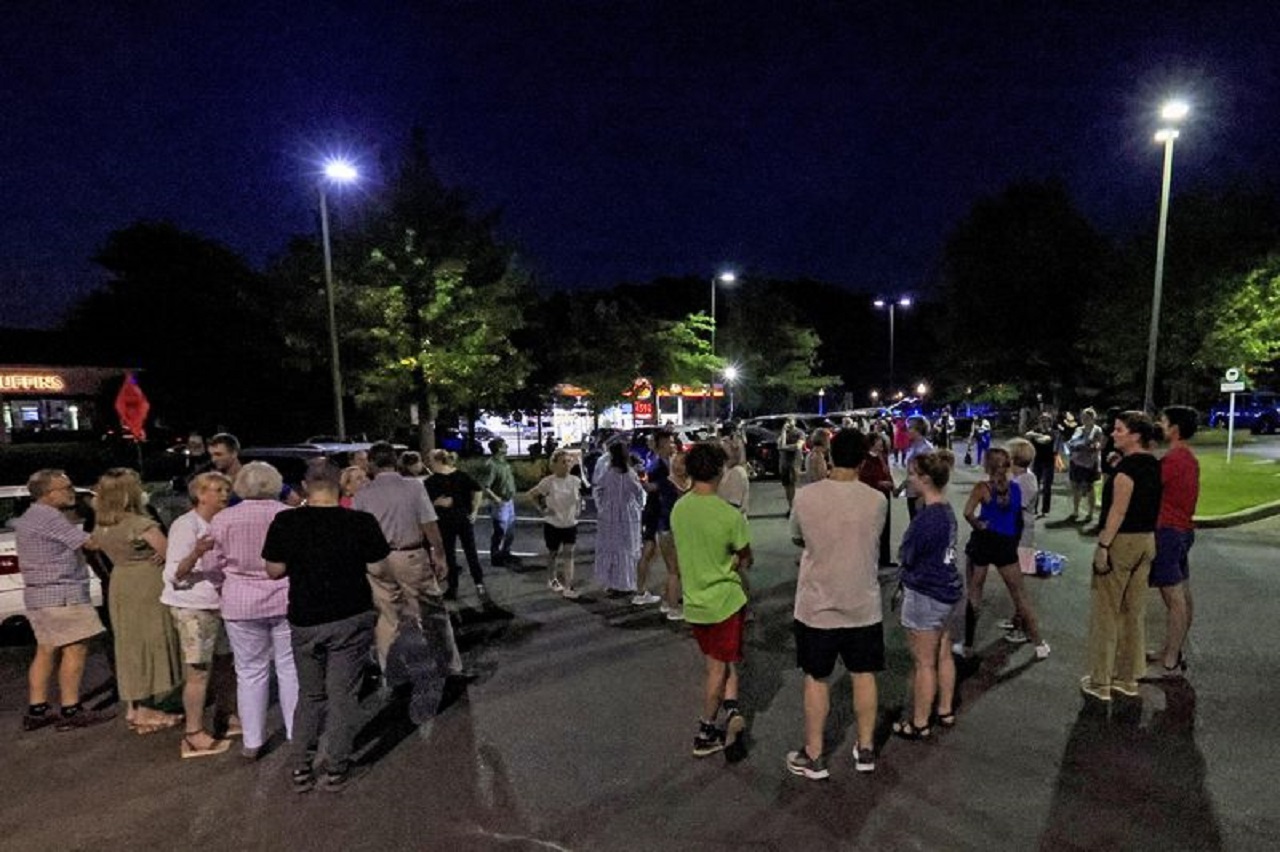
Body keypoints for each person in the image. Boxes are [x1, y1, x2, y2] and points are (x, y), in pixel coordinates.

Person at [263, 463, 389, 793]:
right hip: (350, 614)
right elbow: (378, 565)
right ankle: (336, 766)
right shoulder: (360, 522)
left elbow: (274, 570)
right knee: (342, 694)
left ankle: (301, 767)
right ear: (340, 486)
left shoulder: (286, 522)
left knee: (310, 694)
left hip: (305, 616)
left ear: (305, 486)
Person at [786, 430, 887, 779]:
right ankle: (866, 747)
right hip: (862, 601)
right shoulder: (876, 500)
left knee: (817, 677)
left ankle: (814, 754)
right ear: (863, 459)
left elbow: (797, 536)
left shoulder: (806, 497)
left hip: (817, 603)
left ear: (829, 454)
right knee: (863, 674)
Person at [205, 461, 297, 758]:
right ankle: (297, 732)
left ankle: (253, 740)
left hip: (240, 601)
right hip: (285, 596)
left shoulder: (223, 519)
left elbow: (210, 564)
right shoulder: (287, 516)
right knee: (289, 668)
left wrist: (223, 587)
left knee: (249, 672)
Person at [354, 442, 466, 679]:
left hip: (377, 559)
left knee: (387, 616)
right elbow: (428, 522)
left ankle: (392, 671)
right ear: (395, 461)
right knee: (432, 612)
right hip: (410, 554)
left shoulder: (363, 494)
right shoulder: (413, 487)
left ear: (372, 464)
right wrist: (439, 553)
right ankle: (449, 666)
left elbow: (358, 532)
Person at [14, 469, 115, 731]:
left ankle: (38, 709)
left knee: (46, 649)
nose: (72, 492)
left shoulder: (30, 516)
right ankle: (71, 709)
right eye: (66, 488)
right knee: (75, 648)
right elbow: (91, 543)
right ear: (48, 494)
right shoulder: (50, 517)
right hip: (63, 595)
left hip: (39, 595)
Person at [669, 442, 752, 758]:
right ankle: (705, 730)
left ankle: (732, 710)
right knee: (718, 669)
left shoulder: (680, 509)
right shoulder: (728, 515)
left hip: (695, 603)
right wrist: (731, 561)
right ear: (720, 472)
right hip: (725, 602)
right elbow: (745, 558)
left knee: (721, 659)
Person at [92, 468, 184, 734]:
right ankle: (147, 708)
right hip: (146, 584)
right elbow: (171, 552)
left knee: (129, 644)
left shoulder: (104, 525)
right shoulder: (139, 524)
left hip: (121, 583)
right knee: (151, 640)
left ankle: (134, 705)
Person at [1080, 411, 1162, 702]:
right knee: (1133, 612)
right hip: (1146, 540)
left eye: (1119, 430)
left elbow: (1118, 511)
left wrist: (1103, 546)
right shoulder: (1152, 464)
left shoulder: (1126, 472)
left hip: (1122, 541)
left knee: (1106, 611)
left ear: (1135, 435)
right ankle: (1129, 678)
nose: (1113, 434)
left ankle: (1101, 680)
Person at [163, 471, 238, 758]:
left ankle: (225, 716)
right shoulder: (186, 526)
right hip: (193, 606)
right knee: (198, 670)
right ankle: (194, 732)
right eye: (218, 489)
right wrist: (196, 553)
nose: (224, 495)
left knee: (225, 662)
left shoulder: (221, 522)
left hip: (219, 604)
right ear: (200, 494)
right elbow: (174, 574)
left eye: (226, 489)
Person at [893, 450, 963, 740]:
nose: (908, 479)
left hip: (925, 592)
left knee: (924, 662)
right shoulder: (946, 511)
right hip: (947, 590)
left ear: (925, 479)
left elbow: (907, 555)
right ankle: (944, 709)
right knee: (943, 653)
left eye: (911, 474)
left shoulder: (925, 519)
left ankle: (919, 721)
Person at [959, 448, 1050, 660]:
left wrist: (978, 524)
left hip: (983, 542)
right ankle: (1039, 643)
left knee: (974, 593)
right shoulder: (1016, 489)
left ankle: (968, 645)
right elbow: (1017, 518)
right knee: (1019, 595)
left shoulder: (982, 488)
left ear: (987, 467)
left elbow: (967, 512)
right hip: (1006, 545)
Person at [1145, 405, 1200, 680]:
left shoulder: (1175, 459)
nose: (1160, 424)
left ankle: (1170, 662)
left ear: (1175, 428)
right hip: (1183, 530)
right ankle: (1171, 649)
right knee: (1182, 595)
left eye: (1164, 421)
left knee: (1174, 598)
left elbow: (1149, 485)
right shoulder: (1187, 458)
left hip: (1168, 531)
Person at [425, 450, 487, 604]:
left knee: (450, 554)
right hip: (462, 519)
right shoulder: (461, 475)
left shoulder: (431, 481)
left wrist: (436, 503)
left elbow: (425, 503)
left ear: (437, 461)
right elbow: (478, 489)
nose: (429, 463)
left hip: (445, 521)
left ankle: (453, 588)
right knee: (470, 551)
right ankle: (479, 583)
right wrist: (474, 510)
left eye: (430, 460)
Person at [528, 449, 588, 599]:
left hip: (570, 524)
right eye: (563, 462)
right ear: (554, 465)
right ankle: (552, 578)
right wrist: (542, 510)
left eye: (569, 461)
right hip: (553, 524)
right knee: (553, 554)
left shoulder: (575, 481)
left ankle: (569, 587)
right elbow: (531, 494)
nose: (567, 465)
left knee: (569, 555)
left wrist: (579, 508)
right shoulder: (549, 481)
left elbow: (579, 498)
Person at [634, 431, 681, 615]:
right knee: (667, 562)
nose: (674, 444)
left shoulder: (666, 463)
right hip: (659, 515)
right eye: (670, 442)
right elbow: (650, 487)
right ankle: (668, 602)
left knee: (657, 555)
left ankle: (666, 597)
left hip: (662, 514)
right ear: (660, 444)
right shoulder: (657, 465)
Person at [593, 442, 646, 596]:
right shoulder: (629, 473)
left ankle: (612, 582)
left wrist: (602, 506)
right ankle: (625, 582)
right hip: (627, 515)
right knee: (626, 548)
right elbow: (638, 492)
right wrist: (639, 506)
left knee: (612, 547)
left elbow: (598, 489)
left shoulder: (608, 473)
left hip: (609, 515)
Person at [208, 433, 303, 506]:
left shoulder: (255, 475)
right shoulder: (214, 481)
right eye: (211, 455)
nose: (214, 459)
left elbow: (294, 500)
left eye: (218, 454)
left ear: (234, 453)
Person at [474, 438, 518, 567]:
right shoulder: (492, 465)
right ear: (499, 448)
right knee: (500, 530)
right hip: (500, 503)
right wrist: (495, 498)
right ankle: (496, 556)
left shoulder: (503, 462)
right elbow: (485, 486)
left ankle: (506, 552)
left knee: (510, 530)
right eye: (505, 446)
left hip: (509, 501)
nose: (507, 447)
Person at [858, 432, 896, 567]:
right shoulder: (866, 459)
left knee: (886, 527)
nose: (882, 445)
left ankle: (885, 559)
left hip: (885, 495)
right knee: (875, 528)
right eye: (879, 442)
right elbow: (863, 479)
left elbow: (887, 473)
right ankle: (872, 558)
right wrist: (879, 483)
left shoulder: (883, 457)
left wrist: (892, 486)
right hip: (873, 496)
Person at [1065, 408, 1104, 524]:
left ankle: (1090, 512)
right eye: (1083, 417)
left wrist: (1091, 447)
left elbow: (1097, 446)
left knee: (1089, 487)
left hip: (1090, 462)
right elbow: (1072, 442)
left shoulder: (1097, 430)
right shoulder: (1078, 429)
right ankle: (1075, 511)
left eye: (1087, 417)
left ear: (1093, 418)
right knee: (1075, 486)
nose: (1084, 420)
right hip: (1076, 461)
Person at [893, 416, 934, 520]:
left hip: (919, 494)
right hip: (911, 492)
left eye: (910, 428)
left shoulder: (926, 448)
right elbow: (911, 473)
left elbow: (929, 474)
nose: (907, 431)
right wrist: (901, 488)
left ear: (918, 429)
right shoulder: (913, 446)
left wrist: (922, 495)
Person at [1026, 413, 1060, 518]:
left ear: (1050, 422)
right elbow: (1027, 435)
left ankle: (1045, 509)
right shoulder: (1037, 430)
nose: (1044, 423)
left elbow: (1045, 440)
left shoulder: (1053, 432)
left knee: (1046, 487)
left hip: (1048, 461)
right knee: (1034, 486)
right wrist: (1038, 435)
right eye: (1042, 420)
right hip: (1037, 461)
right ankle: (1034, 508)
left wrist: (1036, 436)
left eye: (1046, 420)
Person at [778, 418, 805, 510]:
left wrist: (785, 447)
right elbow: (780, 445)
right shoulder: (783, 434)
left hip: (795, 462)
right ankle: (790, 507)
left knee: (794, 485)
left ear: (795, 421)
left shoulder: (799, 433)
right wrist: (783, 432)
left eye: (790, 420)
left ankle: (796, 507)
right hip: (784, 463)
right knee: (787, 486)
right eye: (787, 421)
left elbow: (798, 446)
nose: (788, 423)